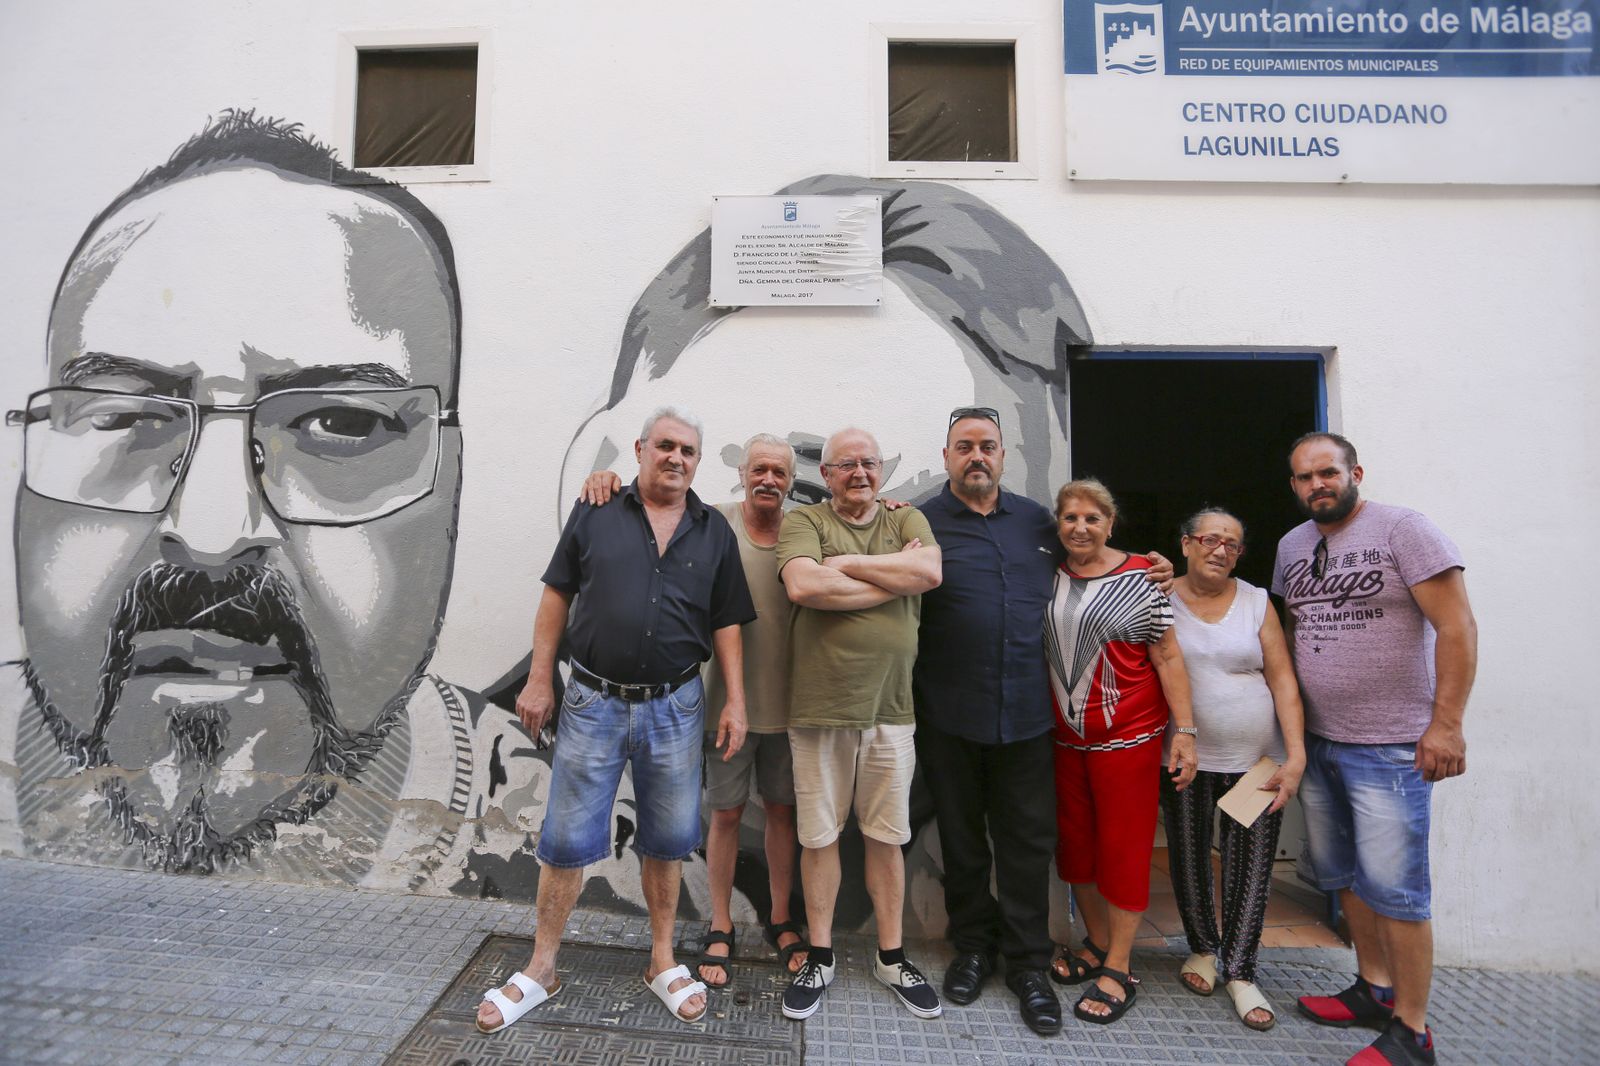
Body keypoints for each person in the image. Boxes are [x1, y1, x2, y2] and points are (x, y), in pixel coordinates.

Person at [1, 111, 544, 891]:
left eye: (343, 424)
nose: (212, 532)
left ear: (452, 488)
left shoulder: (590, 844)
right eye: (123, 416)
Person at [475, 408, 756, 1032]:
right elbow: (557, 593)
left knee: (668, 838)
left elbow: (727, 622)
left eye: (687, 450)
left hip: (676, 706)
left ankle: (661, 961)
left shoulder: (713, 531)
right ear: (640, 449)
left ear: (697, 462)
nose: (676, 457)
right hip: (593, 702)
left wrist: (735, 700)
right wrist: (540, 679)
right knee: (566, 839)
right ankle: (542, 967)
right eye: (665, 446)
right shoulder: (597, 508)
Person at [1273, 433, 1477, 1066]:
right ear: (1294, 485)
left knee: (1397, 891)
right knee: (1344, 878)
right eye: (1304, 477)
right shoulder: (1292, 545)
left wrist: (1446, 725)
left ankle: (1413, 1033)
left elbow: (1456, 626)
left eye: (1327, 472)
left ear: (1354, 473)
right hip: (1320, 741)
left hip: (1390, 745)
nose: (1317, 485)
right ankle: (1373, 989)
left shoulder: (1403, 530)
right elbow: (1292, 632)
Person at [580, 434, 809, 988]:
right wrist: (606, 480)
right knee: (725, 815)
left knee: (782, 814)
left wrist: (892, 506)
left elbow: (861, 518)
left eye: (779, 472)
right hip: (725, 707)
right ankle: (720, 922)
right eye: (759, 469)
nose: (769, 480)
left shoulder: (806, 530)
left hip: (791, 708)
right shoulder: (713, 522)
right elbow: (653, 503)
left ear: (791, 481)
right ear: (742, 473)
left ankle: (781, 919)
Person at [775, 428, 943, 1022]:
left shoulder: (906, 519)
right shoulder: (805, 522)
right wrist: (891, 578)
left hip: (891, 713)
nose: (859, 473)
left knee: (886, 837)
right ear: (826, 474)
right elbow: (804, 583)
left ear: (881, 470)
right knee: (819, 838)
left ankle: (891, 959)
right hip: (819, 710)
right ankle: (820, 957)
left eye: (869, 463)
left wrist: (849, 565)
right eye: (845, 464)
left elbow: (929, 573)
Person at [1044, 478, 1197, 1026]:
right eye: (1070, 517)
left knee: (1124, 851)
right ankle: (1097, 942)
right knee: (1076, 849)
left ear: (1111, 523)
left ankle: (1120, 966)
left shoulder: (1143, 576)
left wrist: (1186, 732)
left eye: (1092, 518)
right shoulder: (1050, 574)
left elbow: (1168, 656)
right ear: (1058, 524)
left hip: (1127, 739)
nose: (1080, 527)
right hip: (1064, 741)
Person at [1161, 508, 1306, 1032]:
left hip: (1256, 760)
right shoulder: (1161, 597)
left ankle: (1241, 971)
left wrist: (1296, 755)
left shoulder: (1256, 601)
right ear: (1186, 544)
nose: (1220, 550)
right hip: (1185, 758)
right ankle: (1202, 947)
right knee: (1189, 856)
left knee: (1251, 865)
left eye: (1232, 544)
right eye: (1210, 539)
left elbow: (1283, 679)